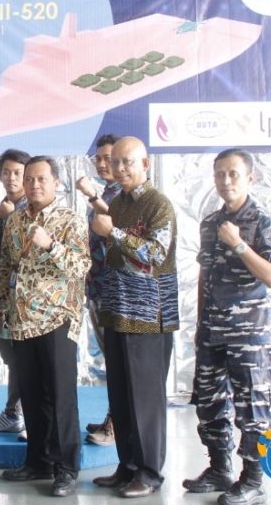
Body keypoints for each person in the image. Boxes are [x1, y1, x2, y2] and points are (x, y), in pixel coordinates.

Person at [183, 149, 271, 505]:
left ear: (249, 178)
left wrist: (239, 244)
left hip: (250, 335)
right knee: (209, 401)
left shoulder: (264, 221)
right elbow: (205, 273)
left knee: (253, 407)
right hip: (213, 329)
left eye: (233, 174)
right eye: (220, 175)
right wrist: (199, 323)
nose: (226, 181)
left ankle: (253, 478)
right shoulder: (210, 223)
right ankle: (219, 468)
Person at [0, 156, 90, 497]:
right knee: (33, 396)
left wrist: (50, 245)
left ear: (56, 183)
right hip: (21, 321)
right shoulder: (15, 221)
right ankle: (38, 460)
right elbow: (6, 267)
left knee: (61, 396)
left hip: (57, 319)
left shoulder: (71, 221)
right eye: (30, 179)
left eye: (41, 180)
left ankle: (66, 467)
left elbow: (81, 267)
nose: (35, 185)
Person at [90, 136, 178, 498]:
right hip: (116, 312)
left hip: (148, 317)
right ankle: (126, 467)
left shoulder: (159, 205)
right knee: (122, 397)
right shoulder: (117, 202)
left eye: (129, 162)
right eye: (116, 162)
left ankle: (150, 473)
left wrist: (113, 232)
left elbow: (155, 254)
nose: (121, 168)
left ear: (146, 165)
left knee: (146, 401)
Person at [75, 134, 121, 446]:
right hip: (99, 290)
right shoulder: (109, 192)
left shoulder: (125, 197)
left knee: (120, 363)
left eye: (110, 158)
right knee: (112, 360)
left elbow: (119, 225)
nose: (103, 164)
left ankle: (117, 425)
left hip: (119, 295)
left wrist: (92, 197)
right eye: (100, 158)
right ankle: (114, 416)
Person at [0, 149, 30, 439]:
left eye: (17, 173)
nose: (12, 178)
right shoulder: (1, 210)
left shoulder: (35, 209)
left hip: (28, 299)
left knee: (28, 358)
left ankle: (29, 415)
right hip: (1, 297)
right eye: (6, 172)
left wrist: (14, 220)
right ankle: (13, 412)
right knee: (11, 356)